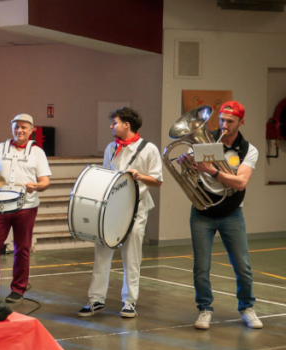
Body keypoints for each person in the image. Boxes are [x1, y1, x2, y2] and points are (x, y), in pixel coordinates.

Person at [180, 101, 262, 330]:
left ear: (241, 122)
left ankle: (247, 307)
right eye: (222, 120)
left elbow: (241, 182)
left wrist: (212, 171)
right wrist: (186, 164)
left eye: (230, 121)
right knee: (201, 267)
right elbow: (192, 171)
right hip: (202, 212)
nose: (224, 125)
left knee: (243, 266)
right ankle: (205, 309)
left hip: (232, 214)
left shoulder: (248, 150)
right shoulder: (205, 141)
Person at [78, 107, 162, 319]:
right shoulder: (111, 148)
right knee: (102, 255)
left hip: (136, 209)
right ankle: (96, 300)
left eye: (114, 122)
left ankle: (129, 302)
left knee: (131, 257)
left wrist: (139, 176)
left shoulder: (149, 148)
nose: (111, 126)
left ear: (127, 124)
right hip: (110, 209)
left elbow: (158, 180)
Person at [0, 114, 51, 303]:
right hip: (1, 205)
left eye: (24, 127)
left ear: (31, 130)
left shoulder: (37, 152)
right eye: (16, 127)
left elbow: (45, 181)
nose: (19, 130)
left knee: (22, 248)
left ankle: (18, 289)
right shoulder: (1, 148)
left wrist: (35, 186)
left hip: (26, 206)